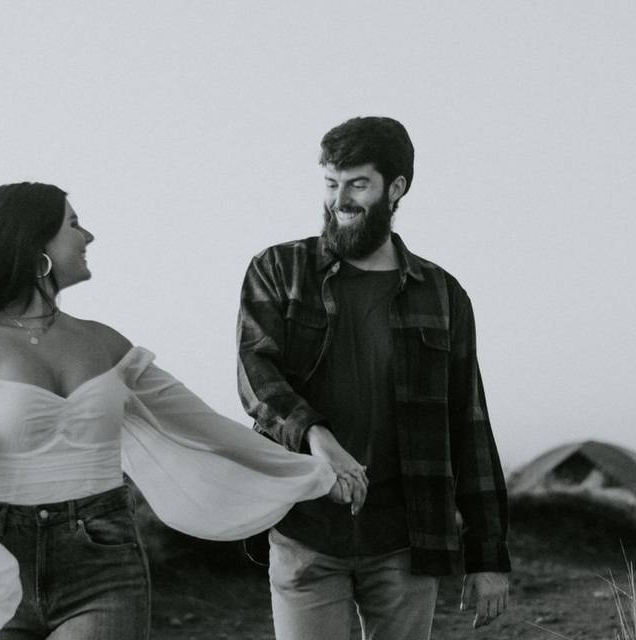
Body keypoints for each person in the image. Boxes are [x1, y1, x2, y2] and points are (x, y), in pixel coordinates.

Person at [0, 182, 354, 640]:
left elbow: (206, 428)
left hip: (104, 562)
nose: (89, 237)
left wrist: (312, 468)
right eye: (74, 224)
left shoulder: (105, 343)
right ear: (33, 243)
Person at [236, 116, 511, 640]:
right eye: (331, 183)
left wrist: (488, 556)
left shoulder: (443, 295)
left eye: (358, 184)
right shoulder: (278, 270)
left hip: (405, 540)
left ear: (397, 187)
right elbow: (257, 374)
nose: (341, 199)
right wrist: (319, 438)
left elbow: (469, 425)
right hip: (305, 532)